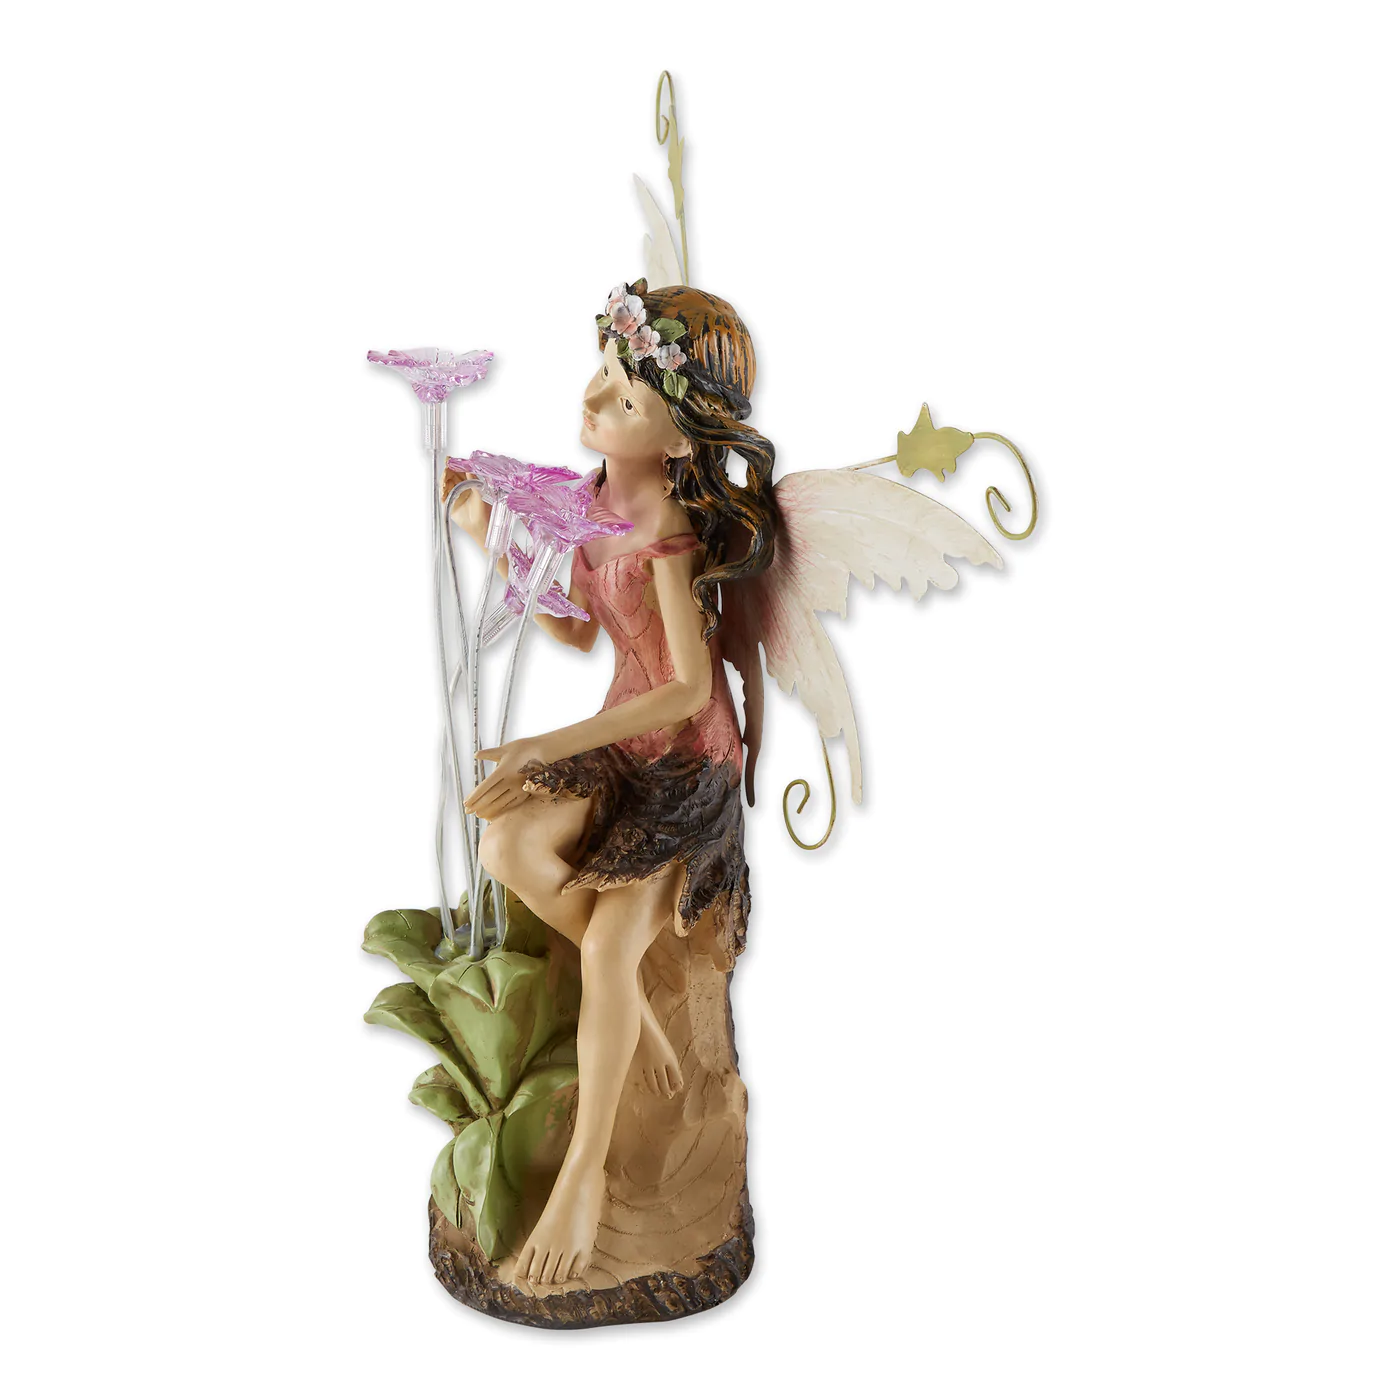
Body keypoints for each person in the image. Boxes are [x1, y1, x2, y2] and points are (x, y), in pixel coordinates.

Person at [449, 280, 777, 1286]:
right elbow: (573, 626)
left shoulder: (669, 530)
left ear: (676, 440)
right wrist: (492, 533)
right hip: (621, 743)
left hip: (682, 765)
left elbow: (686, 687)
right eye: (601, 373)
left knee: (606, 941)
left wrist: (548, 741)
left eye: (625, 397)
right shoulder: (591, 503)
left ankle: (586, 1172)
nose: (593, 398)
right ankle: (625, 1006)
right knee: (505, 842)